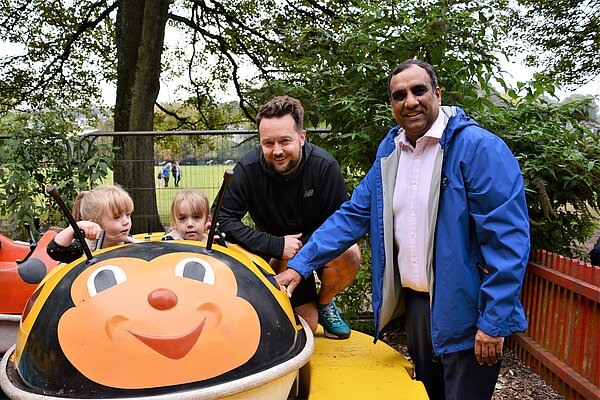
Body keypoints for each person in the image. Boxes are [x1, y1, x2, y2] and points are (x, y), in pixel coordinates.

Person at [278, 59, 530, 400]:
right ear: (392, 105)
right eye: (399, 95)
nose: (409, 101)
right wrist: (300, 263)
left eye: (419, 90)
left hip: (469, 309)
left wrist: (493, 320)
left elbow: (507, 241)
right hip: (419, 310)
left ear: (437, 94)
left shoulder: (479, 149)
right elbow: (353, 214)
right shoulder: (391, 151)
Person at [216, 95, 361, 339]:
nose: (277, 150)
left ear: (302, 138)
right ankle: (308, 310)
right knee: (308, 327)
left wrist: (303, 248)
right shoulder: (247, 169)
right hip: (277, 256)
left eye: (285, 141)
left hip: (318, 250)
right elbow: (220, 220)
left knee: (350, 253)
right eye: (268, 143)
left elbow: (342, 226)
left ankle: (326, 302)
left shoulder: (324, 166)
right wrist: (276, 245)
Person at [47, 185, 139, 264]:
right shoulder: (83, 248)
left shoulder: (132, 245)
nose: (126, 222)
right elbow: (54, 250)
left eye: (128, 215)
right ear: (94, 223)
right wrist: (76, 227)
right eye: (117, 217)